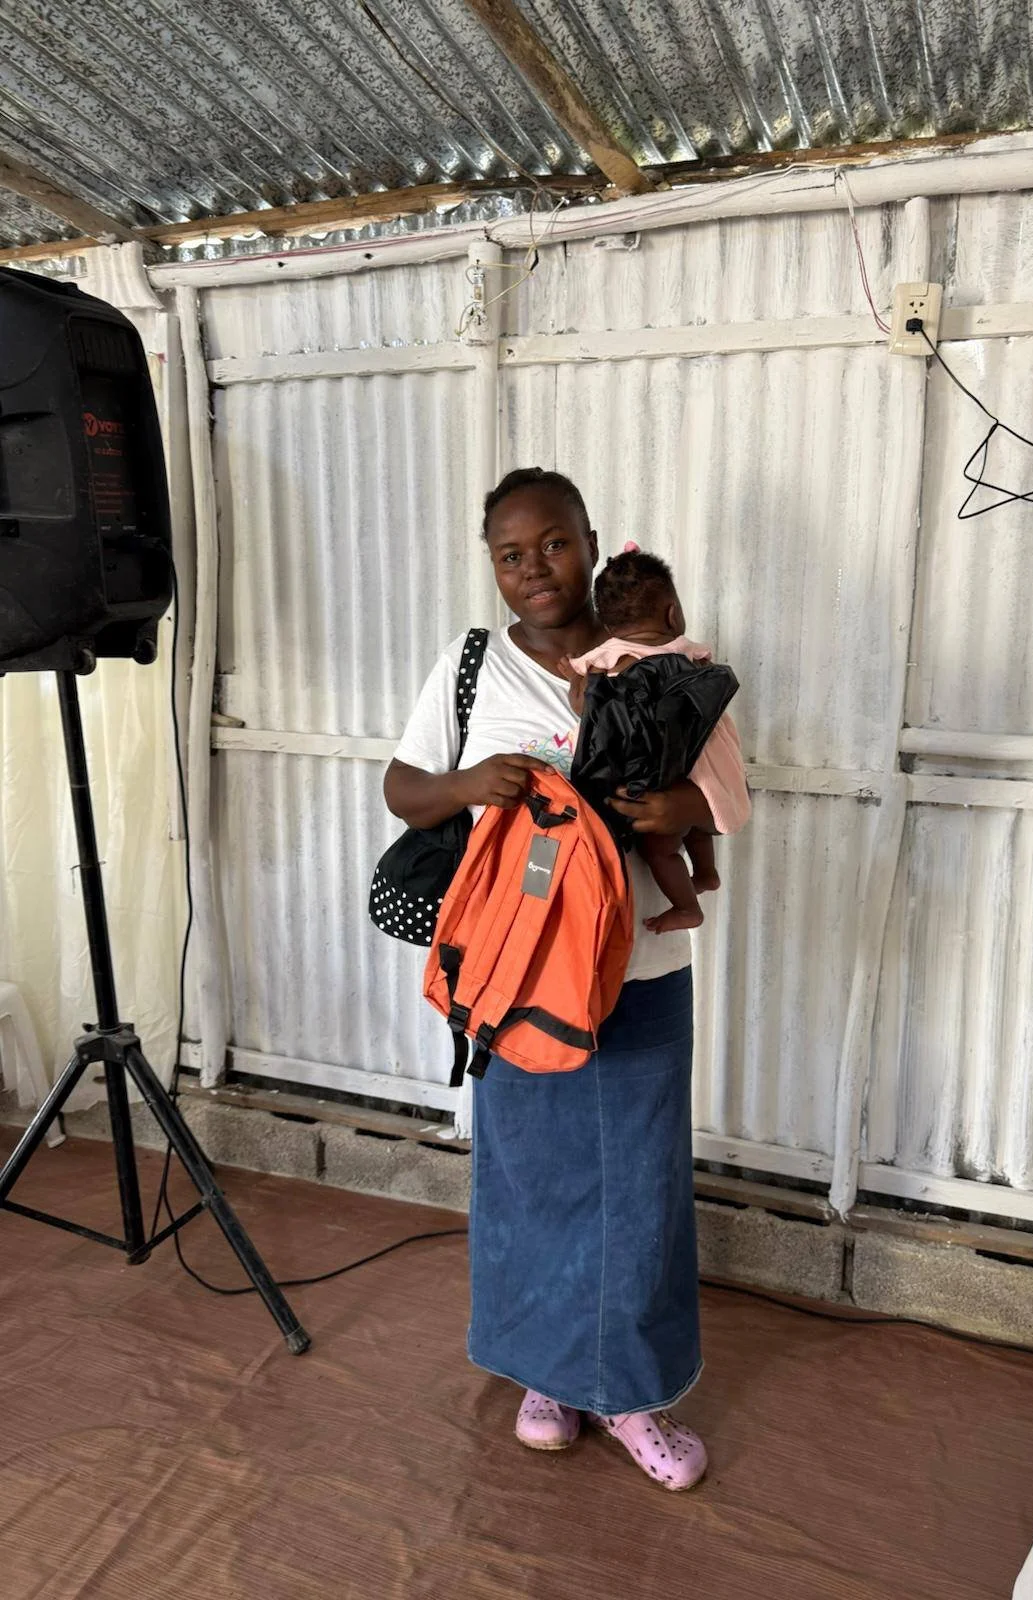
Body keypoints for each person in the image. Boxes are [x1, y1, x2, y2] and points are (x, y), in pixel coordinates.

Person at [383, 467, 751, 1492]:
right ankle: (548, 1377)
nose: (534, 567)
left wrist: (679, 810)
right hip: (514, 977)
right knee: (529, 1179)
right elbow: (403, 790)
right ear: (491, 567)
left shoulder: (657, 661)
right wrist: (468, 783)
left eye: (552, 543)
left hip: (641, 969)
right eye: (511, 553)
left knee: (638, 1185)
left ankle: (632, 1394)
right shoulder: (470, 668)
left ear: (590, 541)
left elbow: (724, 785)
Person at [564, 545, 747, 934]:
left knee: (659, 847)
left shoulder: (608, 658)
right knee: (699, 813)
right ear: (672, 613)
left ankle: (686, 908)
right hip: (703, 756)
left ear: (607, 624)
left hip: (651, 764)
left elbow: (585, 706)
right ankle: (707, 872)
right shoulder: (689, 652)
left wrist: (574, 680)